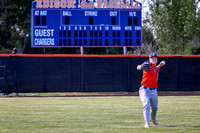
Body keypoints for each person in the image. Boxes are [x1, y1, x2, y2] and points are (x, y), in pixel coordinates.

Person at [137, 52, 166, 128]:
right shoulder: (147, 66)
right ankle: (147, 123)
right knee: (146, 105)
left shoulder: (156, 68)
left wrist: (160, 64)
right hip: (144, 89)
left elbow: (156, 68)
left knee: (155, 108)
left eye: (155, 58)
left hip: (153, 91)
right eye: (152, 58)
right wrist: (140, 67)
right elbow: (138, 67)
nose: (154, 59)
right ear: (149, 59)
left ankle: (152, 119)